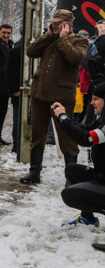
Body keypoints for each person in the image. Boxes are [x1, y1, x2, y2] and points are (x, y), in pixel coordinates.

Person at [19, 9, 88, 184]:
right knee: (37, 134)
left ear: (68, 24)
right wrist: (48, 36)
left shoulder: (79, 41)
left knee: (66, 136)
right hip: (40, 93)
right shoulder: (49, 38)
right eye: (53, 22)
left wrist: (63, 38)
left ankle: (71, 177)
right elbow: (30, 51)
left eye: (58, 23)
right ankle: (34, 172)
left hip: (61, 96)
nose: (54, 25)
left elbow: (74, 58)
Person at [50, 81, 105, 229]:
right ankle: (88, 218)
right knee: (72, 170)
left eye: (96, 99)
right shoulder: (102, 120)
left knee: (71, 194)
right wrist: (64, 118)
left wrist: (63, 118)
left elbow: (86, 139)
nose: (92, 103)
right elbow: (86, 129)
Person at [5, 39, 22, 153]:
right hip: (19, 91)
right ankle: (17, 144)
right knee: (17, 117)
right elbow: (9, 71)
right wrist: (14, 90)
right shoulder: (16, 51)